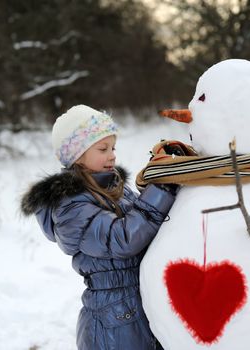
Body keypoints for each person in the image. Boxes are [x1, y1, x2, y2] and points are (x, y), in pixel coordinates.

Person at [21, 105, 178, 349]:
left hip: (137, 309)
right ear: (77, 156)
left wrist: (164, 176)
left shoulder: (116, 189)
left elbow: (147, 223)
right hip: (112, 323)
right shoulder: (70, 207)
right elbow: (123, 238)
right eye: (102, 149)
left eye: (113, 147)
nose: (112, 155)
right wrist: (161, 189)